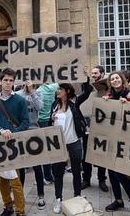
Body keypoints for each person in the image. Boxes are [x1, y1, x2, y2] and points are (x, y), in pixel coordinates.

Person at [0, 68, 30, 216]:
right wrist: (0, 130)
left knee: (15, 181)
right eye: (6, 80)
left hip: (14, 144)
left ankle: (20, 210)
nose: (8, 83)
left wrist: (13, 133)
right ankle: (8, 206)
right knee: (2, 179)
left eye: (11, 80)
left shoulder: (20, 100)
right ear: (1, 81)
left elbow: (26, 121)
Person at [102, 71, 130, 216]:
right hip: (112, 139)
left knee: (121, 174)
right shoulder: (108, 96)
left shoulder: (129, 94)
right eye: (112, 79)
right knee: (111, 173)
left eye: (117, 78)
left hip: (126, 140)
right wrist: (104, 103)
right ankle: (119, 200)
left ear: (122, 80)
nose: (114, 80)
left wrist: (129, 105)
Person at [49, 82, 91, 214]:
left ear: (67, 91)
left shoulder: (74, 103)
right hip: (59, 144)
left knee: (76, 171)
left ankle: (77, 197)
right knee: (58, 173)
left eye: (60, 89)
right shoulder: (54, 105)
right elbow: (50, 123)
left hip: (74, 142)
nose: (58, 91)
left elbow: (88, 90)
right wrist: (51, 118)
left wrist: (85, 77)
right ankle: (58, 199)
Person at [15, 81, 47, 210]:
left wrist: (33, 91)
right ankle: (20, 194)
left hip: (34, 131)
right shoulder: (17, 94)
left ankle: (41, 196)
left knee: (37, 166)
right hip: (21, 132)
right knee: (21, 166)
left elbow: (40, 107)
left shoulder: (38, 93)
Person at [81, 65, 109, 192]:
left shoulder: (107, 88)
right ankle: (86, 179)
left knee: (101, 155)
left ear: (102, 74)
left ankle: (101, 180)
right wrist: (86, 76)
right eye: (92, 73)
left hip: (102, 127)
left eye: (96, 73)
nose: (93, 75)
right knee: (86, 155)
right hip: (88, 126)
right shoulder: (88, 87)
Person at [36, 81, 59, 184]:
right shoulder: (54, 86)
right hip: (52, 120)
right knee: (52, 149)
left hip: (41, 121)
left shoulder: (38, 91)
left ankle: (48, 176)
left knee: (44, 150)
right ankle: (54, 174)